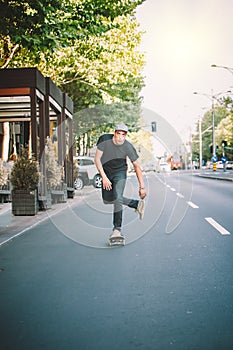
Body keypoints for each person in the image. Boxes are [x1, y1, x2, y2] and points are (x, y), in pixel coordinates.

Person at [94, 122, 147, 239]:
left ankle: (117, 230)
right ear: (114, 133)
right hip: (106, 172)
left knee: (118, 197)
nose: (120, 137)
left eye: (123, 135)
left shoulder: (128, 146)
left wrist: (142, 187)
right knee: (107, 200)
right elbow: (97, 159)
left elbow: (137, 166)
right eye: (118, 134)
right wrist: (104, 177)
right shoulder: (104, 140)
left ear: (125, 136)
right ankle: (136, 204)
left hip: (120, 172)